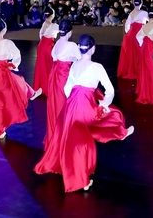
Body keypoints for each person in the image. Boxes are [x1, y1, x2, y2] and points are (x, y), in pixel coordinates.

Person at [34, 34, 134, 192]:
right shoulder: (97, 67)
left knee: (78, 140)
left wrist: (74, 100)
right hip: (84, 107)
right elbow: (110, 90)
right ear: (93, 48)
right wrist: (104, 104)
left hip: (71, 106)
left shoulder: (74, 65)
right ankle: (82, 180)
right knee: (108, 116)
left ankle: (77, 172)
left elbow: (67, 88)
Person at [0, 18, 42, 138]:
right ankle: (31, 94)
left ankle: (0, 128)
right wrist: (12, 65)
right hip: (1, 73)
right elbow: (16, 55)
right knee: (14, 89)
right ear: (4, 29)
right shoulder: (7, 43)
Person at [44, 19, 81, 150]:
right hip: (63, 75)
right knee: (64, 102)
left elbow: (54, 57)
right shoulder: (71, 45)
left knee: (55, 102)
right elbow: (80, 58)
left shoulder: (58, 42)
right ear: (70, 32)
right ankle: (64, 133)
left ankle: (56, 132)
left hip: (55, 74)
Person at [117, 0, 148, 79]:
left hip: (132, 34)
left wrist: (129, 33)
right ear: (141, 3)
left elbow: (127, 26)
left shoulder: (131, 14)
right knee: (140, 51)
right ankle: (141, 70)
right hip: (141, 32)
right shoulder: (144, 13)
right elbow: (149, 22)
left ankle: (134, 70)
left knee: (132, 53)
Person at [33, 7, 58, 96]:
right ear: (52, 15)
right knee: (49, 65)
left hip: (41, 45)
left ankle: (41, 87)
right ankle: (48, 87)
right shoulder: (54, 26)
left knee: (41, 66)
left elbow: (41, 36)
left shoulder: (44, 24)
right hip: (48, 46)